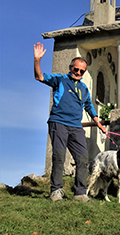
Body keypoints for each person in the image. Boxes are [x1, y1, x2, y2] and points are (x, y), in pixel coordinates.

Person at [34, 42, 107, 202]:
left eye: (82, 71)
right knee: (59, 156)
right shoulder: (60, 80)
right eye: (76, 69)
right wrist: (37, 60)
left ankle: (80, 193)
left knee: (82, 158)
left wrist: (99, 123)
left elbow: (89, 107)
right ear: (70, 67)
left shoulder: (84, 89)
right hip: (58, 123)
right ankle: (56, 191)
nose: (78, 72)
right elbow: (39, 77)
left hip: (76, 127)